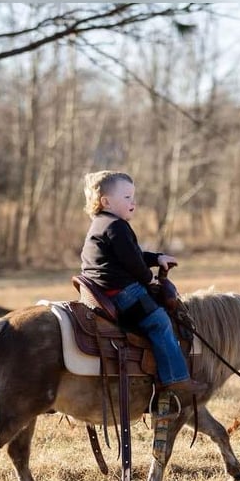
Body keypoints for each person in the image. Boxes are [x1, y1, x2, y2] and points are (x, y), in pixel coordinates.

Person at [80, 170, 207, 402]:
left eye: (133, 196)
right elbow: (133, 262)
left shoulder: (101, 224)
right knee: (159, 321)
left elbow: (132, 254)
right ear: (106, 201)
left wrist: (157, 257)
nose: (133, 202)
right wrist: (150, 279)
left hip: (106, 289)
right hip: (122, 292)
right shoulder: (116, 226)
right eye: (127, 197)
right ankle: (176, 378)